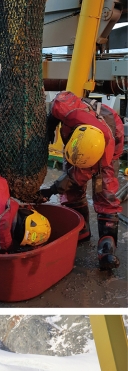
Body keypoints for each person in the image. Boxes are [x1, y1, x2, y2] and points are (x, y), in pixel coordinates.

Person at [39, 91, 125, 271]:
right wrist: (50, 123)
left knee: (106, 193)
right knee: (73, 190)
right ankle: (81, 231)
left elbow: (74, 177)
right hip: (87, 131)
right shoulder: (66, 108)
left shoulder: (102, 158)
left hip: (111, 132)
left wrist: (52, 190)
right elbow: (59, 99)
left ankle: (106, 248)